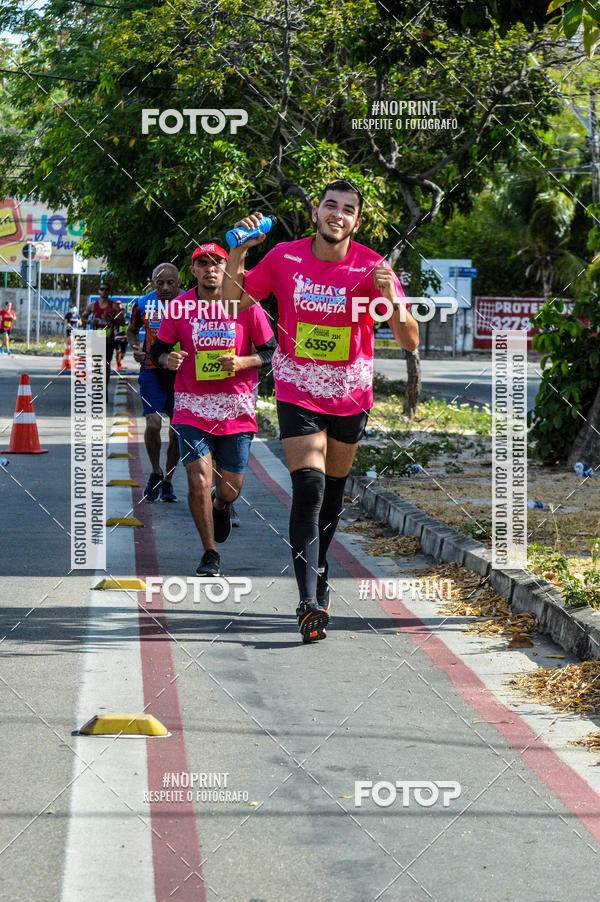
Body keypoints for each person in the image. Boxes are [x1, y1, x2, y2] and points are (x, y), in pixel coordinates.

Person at [222, 179, 419, 642]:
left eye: (348, 209)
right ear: (316, 211)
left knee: (332, 494)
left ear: (357, 220)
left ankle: (320, 567)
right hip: (298, 390)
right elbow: (233, 302)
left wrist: (391, 298)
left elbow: (409, 339)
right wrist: (239, 254)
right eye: (331, 205)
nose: (338, 214)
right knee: (308, 487)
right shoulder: (285, 257)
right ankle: (309, 601)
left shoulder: (373, 266)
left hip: (351, 395)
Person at [150, 239, 276, 576]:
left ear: (227, 268)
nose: (210, 270)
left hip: (236, 407)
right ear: (193, 270)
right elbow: (157, 351)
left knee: (230, 488)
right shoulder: (179, 306)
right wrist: (168, 359)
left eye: (216, 263)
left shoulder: (247, 304)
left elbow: (270, 352)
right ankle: (210, 552)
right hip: (192, 406)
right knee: (198, 479)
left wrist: (242, 361)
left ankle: (221, 506)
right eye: (202, 264)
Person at [127, 263, 182, 503]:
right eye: (160, 283)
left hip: (180, 373)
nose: (165, 288)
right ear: (153, 284)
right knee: (153, 423)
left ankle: (168, 480)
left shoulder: (192, 302)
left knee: (176, 430)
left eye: (170, 283)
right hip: (151, 369)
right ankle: (155, 472)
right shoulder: (142, 304)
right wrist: (135, 347)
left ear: (179, 282)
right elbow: (131, 331)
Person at [81, 282, 125, 400]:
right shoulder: (92, 306)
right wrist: (90, 322)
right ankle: (97, 390)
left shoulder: (114, 306)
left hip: (108, 339)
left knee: (106, 365)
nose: (104, 291)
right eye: (102, 289)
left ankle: (104, 389)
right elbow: (83, 318)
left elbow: (123, 322)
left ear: (109, 291)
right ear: (99, 291)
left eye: (106, 290)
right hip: (96, 338)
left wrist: (112, 320)